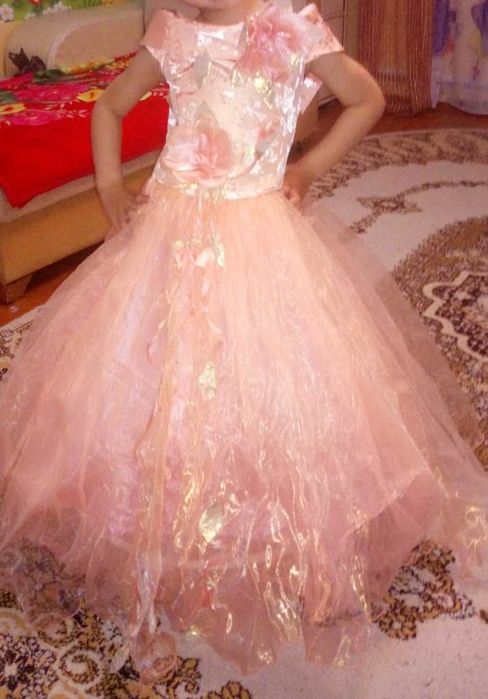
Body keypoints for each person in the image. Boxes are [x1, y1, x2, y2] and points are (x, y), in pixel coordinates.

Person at [0, 0, 487, 685]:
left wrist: (306, 170)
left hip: (257, 237)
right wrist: (111, 187)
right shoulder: (172, 30)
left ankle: (268, 539)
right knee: (143, 389)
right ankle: (150, 556)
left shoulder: (292, 24)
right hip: (167, 233)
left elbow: (366, 99)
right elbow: (109, 106)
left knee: (274, 384)